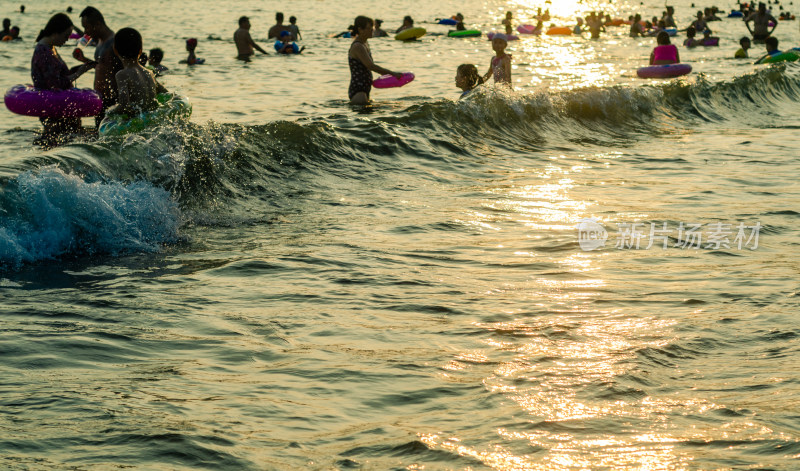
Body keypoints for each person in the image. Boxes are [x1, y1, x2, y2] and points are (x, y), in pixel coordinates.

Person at [31, 13, 96, 142]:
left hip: (59, 108)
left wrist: (82, 66)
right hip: (53, 110)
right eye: (66, 36)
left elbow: (60, 75)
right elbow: (55, 84)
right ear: (55, 33)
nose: (67, 40)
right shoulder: (44, 52)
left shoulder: (50, 48)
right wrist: (79, 73)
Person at [107, 27, 167, 117]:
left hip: (137, 124)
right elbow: (166, 94)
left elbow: (124, 106)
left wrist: (109, 112)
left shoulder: (122, 75)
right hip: (151, 120)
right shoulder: (149, 73)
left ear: (115, 50)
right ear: (140, 50)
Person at [79, 7, 122, 128]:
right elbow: (102, 67)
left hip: (113, 102)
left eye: (87, 27)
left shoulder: (114, 43)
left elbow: (124, 71)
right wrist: (83, 60)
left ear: (97, 24)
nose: (85, 32)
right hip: (100, 101)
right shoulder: (99, 42)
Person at [348, 15, 402, 105]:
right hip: (359, 90)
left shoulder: (364, 43)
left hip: (365, 87)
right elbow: (371, 66)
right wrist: (392, 74)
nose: (372, 30)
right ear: (360, 29)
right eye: (369, 28)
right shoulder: (358, 46)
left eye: (372, 27)